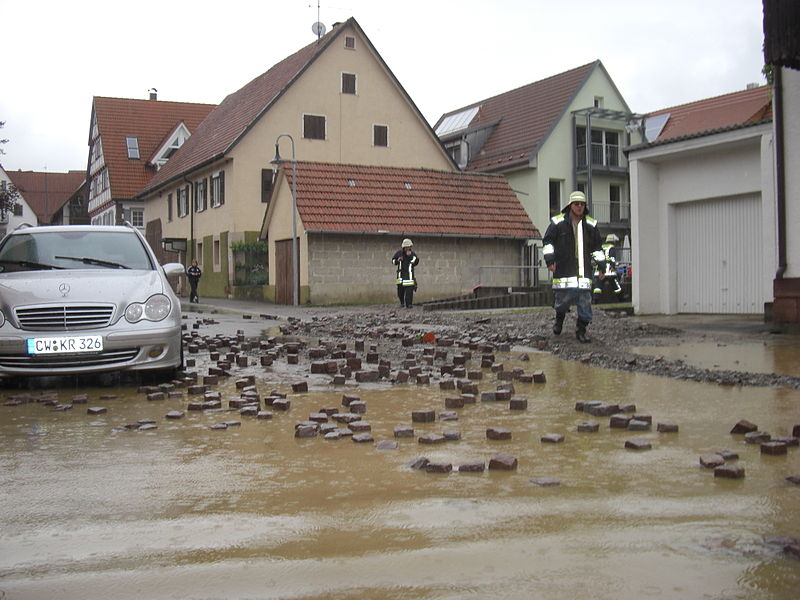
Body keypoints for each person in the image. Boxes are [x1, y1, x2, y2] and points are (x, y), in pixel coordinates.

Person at [542, 191, 605, 343]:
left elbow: (597, 248)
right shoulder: (557, 223)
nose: (579, 207)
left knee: (585, 302)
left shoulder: (591, 224)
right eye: (576, 204)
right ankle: (559, 319)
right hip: (564, 270)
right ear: (570, 205)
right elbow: (548, 242)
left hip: (584, 273)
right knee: (562, 301)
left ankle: (581, 330)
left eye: (582, 204)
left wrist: (602, 266)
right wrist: (550, 260)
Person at [592, 233, 623, 302]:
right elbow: (612, 258)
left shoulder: (601, 247)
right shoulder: (611, 247)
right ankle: (621, 299)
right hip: (609, 271)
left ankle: (595, 300)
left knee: (598, 287)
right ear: (613, 241)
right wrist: (613, 266)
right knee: (616, 286)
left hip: (599, 271)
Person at [392, 238, 419, 308]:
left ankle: (409, 304)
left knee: (409, 292)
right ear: (404, 247)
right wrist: (398, 260)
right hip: (400, 276)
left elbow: (416, 262)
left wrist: (410, 256)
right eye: (407, 247)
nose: (408, 248)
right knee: (400, 292)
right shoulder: (399, 253)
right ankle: (401, 303)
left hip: (409, 276)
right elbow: (393, 261)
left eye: (409, 247)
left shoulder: (412, 254)